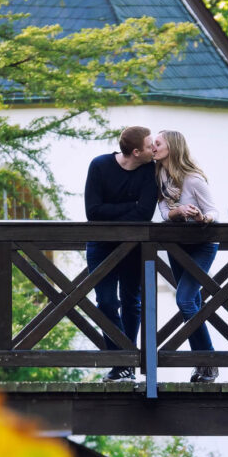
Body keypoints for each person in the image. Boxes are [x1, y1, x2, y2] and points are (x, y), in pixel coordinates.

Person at [84, 126, 158, 382]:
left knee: (132, 301)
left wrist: (114, 211)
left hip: (135, 246)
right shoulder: (100, 166)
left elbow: (145, 214)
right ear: (136, 152)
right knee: (105, 302)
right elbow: (93, 212)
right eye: (150, 146)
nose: (155, 149)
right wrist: (130, 206)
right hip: (101, 246)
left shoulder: (151, 170)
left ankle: (123, 365)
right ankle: (123, 358)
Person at [152, 130, 220, 383]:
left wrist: (203, 218)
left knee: (185, 300)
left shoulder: (193, 180)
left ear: (172, 147)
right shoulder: (159, 175)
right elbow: (162, 212)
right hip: (177, 246)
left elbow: (214, 211)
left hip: (202, 245)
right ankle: (203, 364)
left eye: (158, 144)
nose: (153, 147)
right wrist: (177, 211)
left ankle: (208, 362)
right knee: (192, 302)